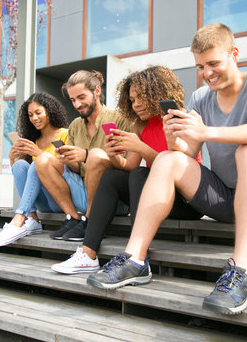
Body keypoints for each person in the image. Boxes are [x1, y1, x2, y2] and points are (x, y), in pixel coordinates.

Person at [86, 23, 247, 316]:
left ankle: (241, 273)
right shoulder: (202, 97)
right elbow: (186, 154)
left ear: (234, 54)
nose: (207, 73)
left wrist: (206, 131)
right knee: (166, 159)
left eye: (213, 63)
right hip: (228, 199)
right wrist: (174, 136)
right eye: (200, 66)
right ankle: (135, 259)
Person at [51, 66, 203, 274]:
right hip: (156, 198)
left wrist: (140, 147)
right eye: (132, 100)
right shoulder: (140, 126)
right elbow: (129, 166)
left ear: (157, 92)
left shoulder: (179, 118)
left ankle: (138, 258)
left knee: (141, 174)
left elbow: (176, 167)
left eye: (141, 97)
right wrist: (112, 154)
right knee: (115, 175)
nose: (136, 104)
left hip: (185, 201)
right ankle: (88, 254)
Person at [35, 70, 131, 241]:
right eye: (73, 100)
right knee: (43, 159)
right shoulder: (75, 126)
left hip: (112, 199)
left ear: (97, 91)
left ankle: (91, 221)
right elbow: (78, 169)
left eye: (81, 97)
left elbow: (126, 165)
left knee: (95, 154)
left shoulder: (120, 119)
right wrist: (69, 159)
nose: (77, 104)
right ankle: (73, 217)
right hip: (84, 191)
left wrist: (87, 155)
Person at [0, 93, 69, 247]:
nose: (34, 118)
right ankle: (32, 218)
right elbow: (25, 178)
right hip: (43, 202)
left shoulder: (64, 134)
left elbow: (68, 170)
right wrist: (13, 158)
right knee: (20, 165)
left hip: (61, 198)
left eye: (38, 113)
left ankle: (19, 217)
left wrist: (39, 154)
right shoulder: (34, 141)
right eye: (30, 115)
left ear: (49, 111)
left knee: (37, 163)